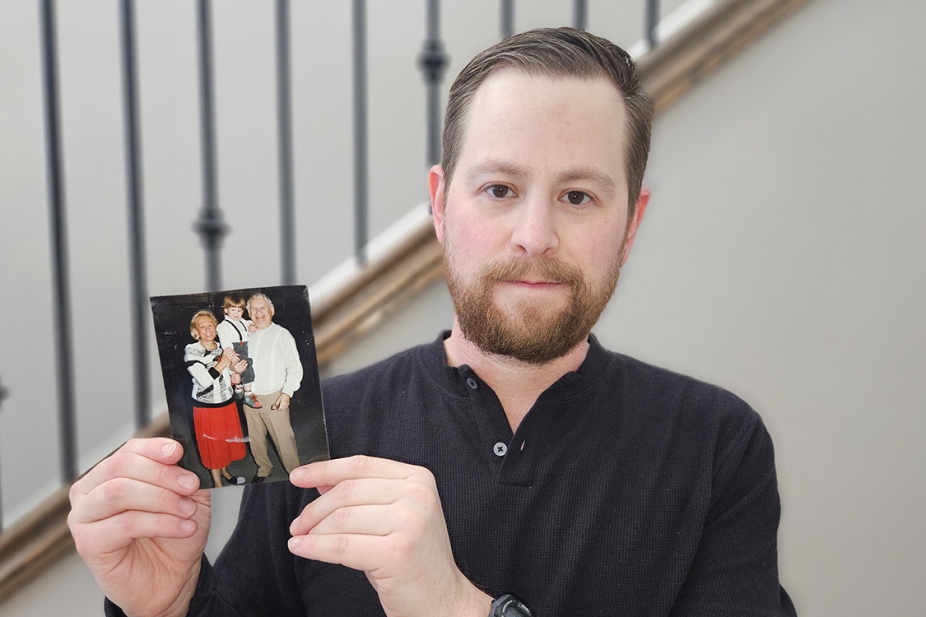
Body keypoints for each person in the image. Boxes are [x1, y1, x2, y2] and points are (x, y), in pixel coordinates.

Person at [68, 27, 796, 617]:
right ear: (441, 206)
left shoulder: (717, 445)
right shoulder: (317, 432)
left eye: (578, 196)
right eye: (500, 188)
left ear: (630, 223)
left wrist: (457, 608)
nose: (535, 235)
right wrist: (165, 607)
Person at [242, 293, 303, 482]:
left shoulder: (282, 334)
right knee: (256, 439)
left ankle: (297, 475)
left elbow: (294, 365)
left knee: (284, 439)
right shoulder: (245, 334)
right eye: (254, 309)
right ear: (249, 313)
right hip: (249, 396)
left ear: (271, 310)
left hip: (273, 396)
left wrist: (286, 393)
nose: (259, 313)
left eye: (263, 308)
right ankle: (264, 468)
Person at [185, 310, 249, 489]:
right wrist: (223, 362)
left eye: (210, 325)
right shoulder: (192, 350)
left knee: (224, 443)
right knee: (214, 448)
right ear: (196, 331)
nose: (207, 330)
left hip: (226, 404)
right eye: (202, 327)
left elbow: (227, 376)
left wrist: (235, 377)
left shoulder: (223, 348)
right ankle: (218, 484)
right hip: (207, 408)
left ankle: (226, 472)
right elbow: (204, 380)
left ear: (216, 329)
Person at [216, 295, 261, 409]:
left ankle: (239, 388)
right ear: (226, 310)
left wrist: (251, 325)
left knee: (243, 368)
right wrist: (230, 353)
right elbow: (224, 340)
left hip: (244, 347)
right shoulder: (223, 326)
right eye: (233, 310)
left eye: (239, 310)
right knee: (247, 364)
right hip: (234, 349)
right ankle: (248, 394)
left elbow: (249, 323)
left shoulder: (241, 321)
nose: (237, 313)